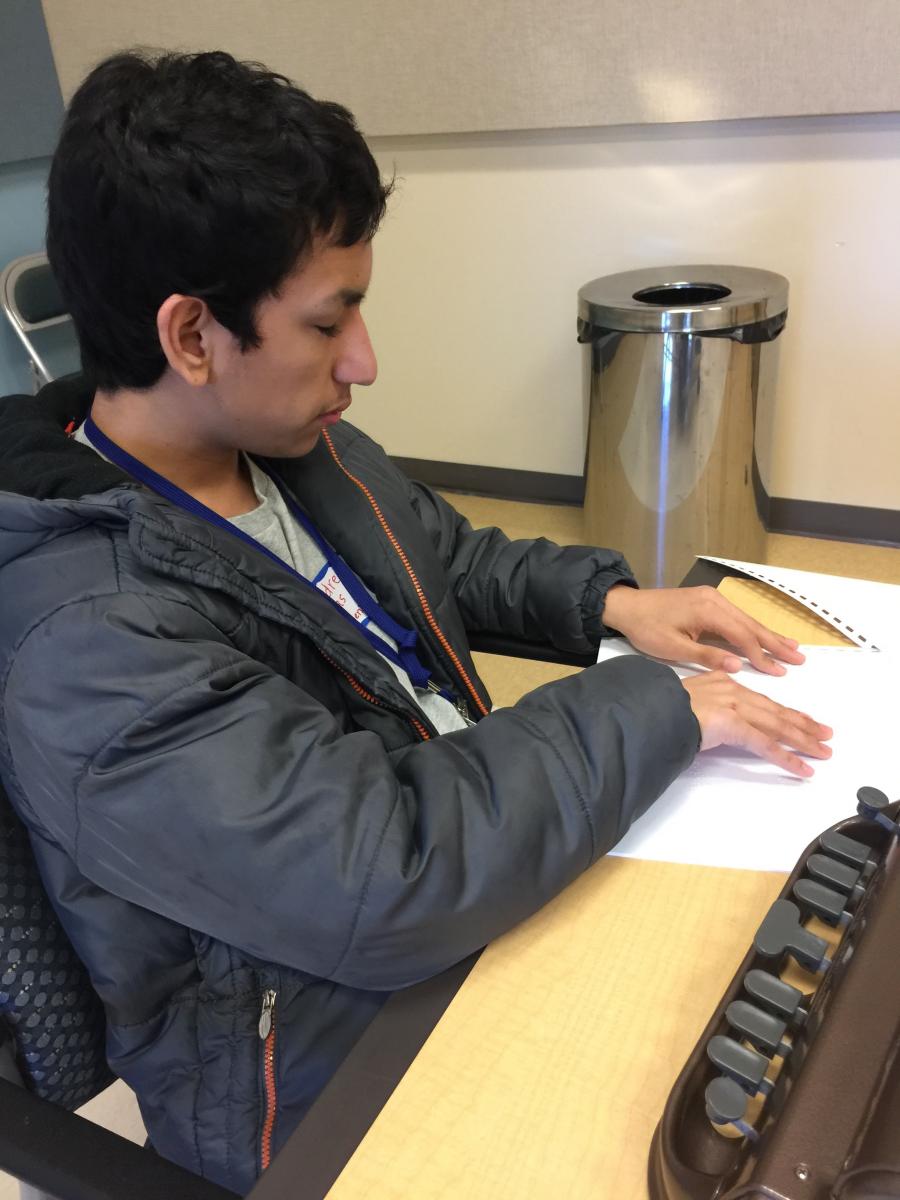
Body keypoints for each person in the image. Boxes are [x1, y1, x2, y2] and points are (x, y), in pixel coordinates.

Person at [0, 50, 831, 1194]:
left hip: (462, 886)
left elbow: (438, 557)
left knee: (781, 977)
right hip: (324, 1060)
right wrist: (651, 705)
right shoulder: (86, 642)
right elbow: (380, 874)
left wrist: (617, 602)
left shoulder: (288, 443)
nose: (366, 362)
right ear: (192, 336)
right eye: (331, 320)